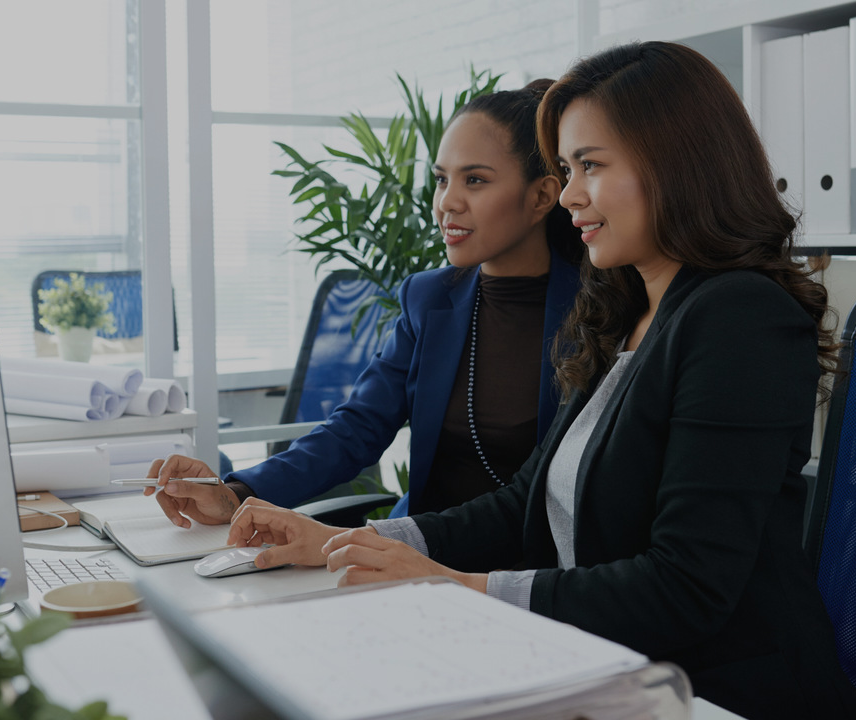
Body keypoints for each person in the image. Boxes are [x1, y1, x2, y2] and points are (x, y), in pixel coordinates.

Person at [222, 43, 856, 720]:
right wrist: (349, 544)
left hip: (712, 693)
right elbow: (525, 502)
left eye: (590, 166)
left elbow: (686, 587)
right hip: (593, 666)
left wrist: (460, 587)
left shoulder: (739, 317)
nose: (568, 196)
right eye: (566, 169)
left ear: (678, 163)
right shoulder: (623, 308)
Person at [146, 80, 583, 526]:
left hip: (531, 570)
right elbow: (356, 429)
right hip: (417, 556)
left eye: (474, 180)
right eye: (440, 179)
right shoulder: (428, 297)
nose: (446, 202)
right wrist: (237, 493)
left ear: (542, 196)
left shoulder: (601, 309)